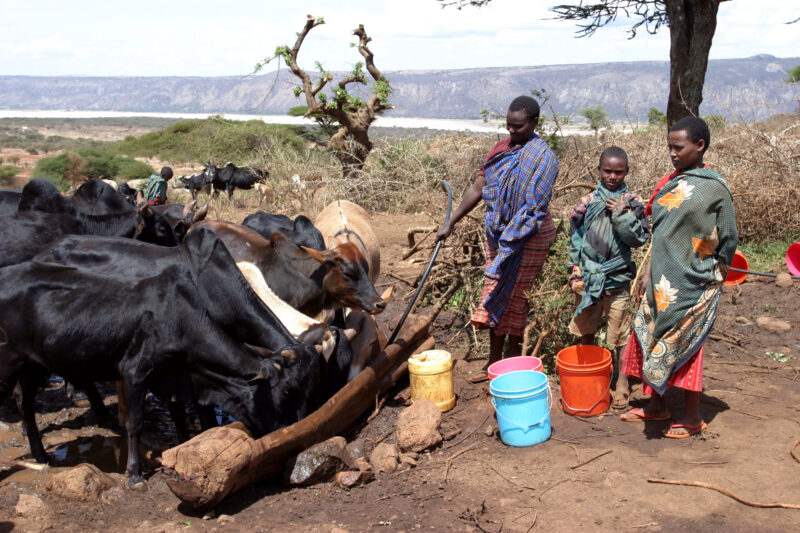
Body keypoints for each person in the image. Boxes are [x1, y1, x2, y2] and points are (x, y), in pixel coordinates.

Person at [619, 116, 737, 438]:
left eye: (678, 147)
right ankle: (657, 407)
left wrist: (707, 262)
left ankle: (692, 416)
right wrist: (648, 271)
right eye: (669, 147)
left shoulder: (715, 188)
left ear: (699, 146)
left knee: (686, 346)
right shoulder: (671, 183)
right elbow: (661, 233)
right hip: (661, 281)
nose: (672, 153)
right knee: (651, 338)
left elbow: (727, 236)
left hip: (693, 283)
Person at [436, 95, 558, 383]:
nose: (511, 132)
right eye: (508, 126)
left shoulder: (544, 158)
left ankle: (512, 368)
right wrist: (450, 222)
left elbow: (534, 209)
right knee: (493, 294)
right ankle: (492, 363)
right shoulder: (500, 149)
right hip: (499, 235)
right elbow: (479, 185)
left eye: (518, 127)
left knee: (515, 300)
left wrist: (509, 242)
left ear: (534, 123)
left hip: (528, 237)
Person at [566, 146, 649, 410]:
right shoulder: (586, 202)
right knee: (586, 328)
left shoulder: (632, 202)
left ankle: (621, 383)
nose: (612, 176)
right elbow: (576, 239)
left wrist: (622, 214)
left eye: (618, 172)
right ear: (598, 170)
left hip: (618, 277)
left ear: (627, 171)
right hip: (589, 278)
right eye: (607, 171)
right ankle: (590, 375)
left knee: (620, 333)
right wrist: (574, 270)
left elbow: (638, 238)